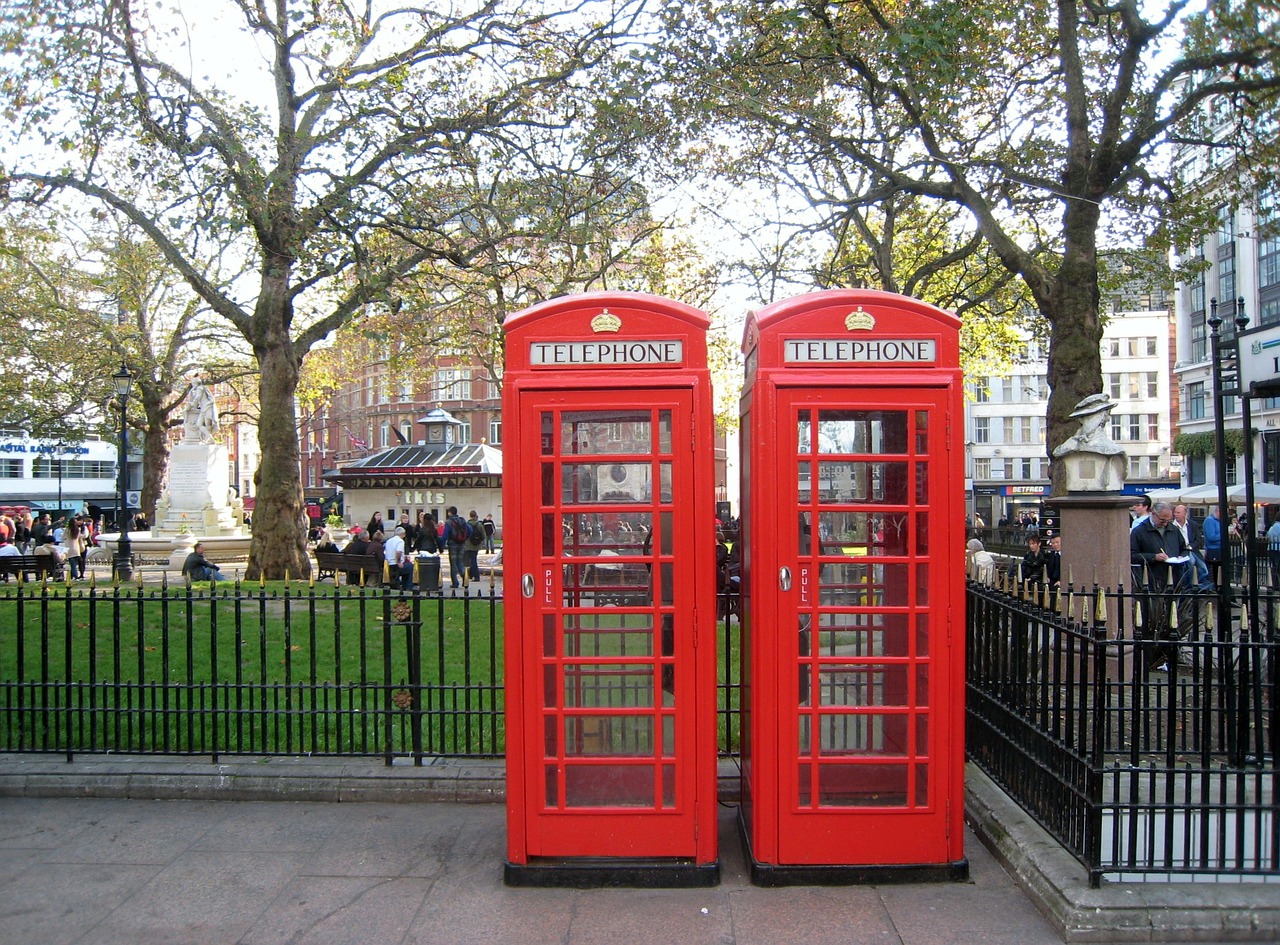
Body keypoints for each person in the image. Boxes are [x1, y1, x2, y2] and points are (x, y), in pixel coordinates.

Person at [1130, 501, 1192, 674]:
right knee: (1151, 616)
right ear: (1154, 515)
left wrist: (1182, 556)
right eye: (1163, 520)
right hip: (1152, 579)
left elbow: (1185, 548)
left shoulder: (1173, 530)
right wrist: (1152, 557)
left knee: (1172, 617)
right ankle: (1150, 653)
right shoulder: (1139, 531)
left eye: (1168, 520)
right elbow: (1132, 554)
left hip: (1173, 578)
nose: (1166, 523)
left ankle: (1169, 653)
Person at [444, 505, 469, 588]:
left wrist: (442, 544)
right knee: (460, 561)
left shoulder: (448, 522)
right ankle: (465, 577)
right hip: (462, 544)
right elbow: (470, 530)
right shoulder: (462, 521)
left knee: (453, 563)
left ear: (450, 513)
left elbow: (445, 535)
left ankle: (455, 582)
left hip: (452, 544)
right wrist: (465, 538)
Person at [384, 525, 413, 590]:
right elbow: (398, 552)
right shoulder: (400, 541)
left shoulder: (389, 541)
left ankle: (404, 585)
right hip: (395, 565)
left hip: (389, 564)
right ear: (402, 534)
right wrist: (399, 562)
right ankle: (408, 587)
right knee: (411, 567)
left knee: (407, 566)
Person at [1202, 506, 1223, 587]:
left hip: (1221, 549)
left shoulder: (1219, 521)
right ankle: (1216, 589)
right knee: (1216, 573)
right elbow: (1211, 537)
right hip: (1213, 550)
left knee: (1221, 573)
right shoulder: (1209, 521)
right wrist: (1224, 533)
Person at [1268, 515, 1280, 588]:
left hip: (1271, 548)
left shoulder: (1272, 527)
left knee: (1274, 567)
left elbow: (1268, 535)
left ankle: (1275, 584)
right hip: (1278, 549)